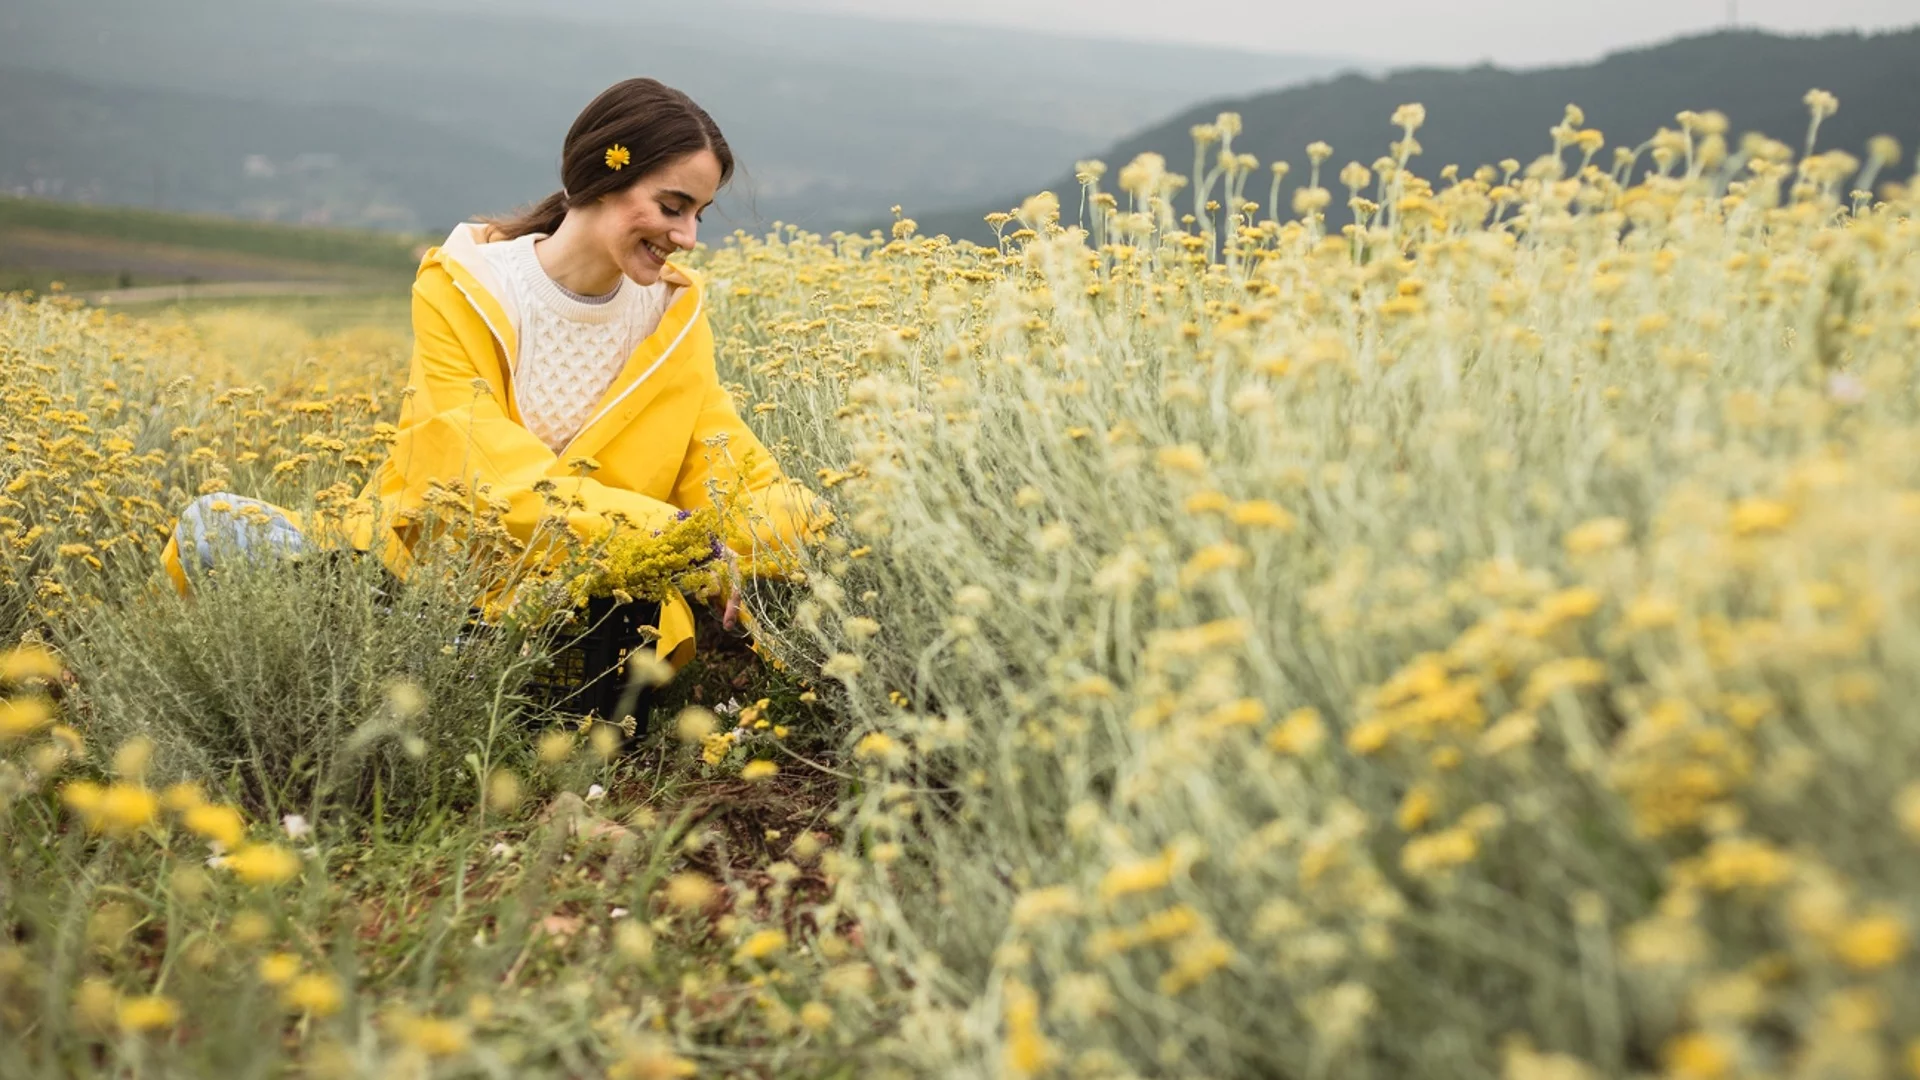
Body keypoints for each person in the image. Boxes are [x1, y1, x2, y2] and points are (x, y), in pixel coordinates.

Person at [162, 78, 832, 669]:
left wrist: (813, 527)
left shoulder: (674, 316)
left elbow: (728, 465)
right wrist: (677, 537)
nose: (687, 236)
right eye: (672, 206)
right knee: (212, 522)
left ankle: (408, 664)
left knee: (620, 628)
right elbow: (480, 472)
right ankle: (419, 653)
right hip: (426, 580)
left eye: (698, 215)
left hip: (584, 605)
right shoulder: (464, 287)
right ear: (601, 177)